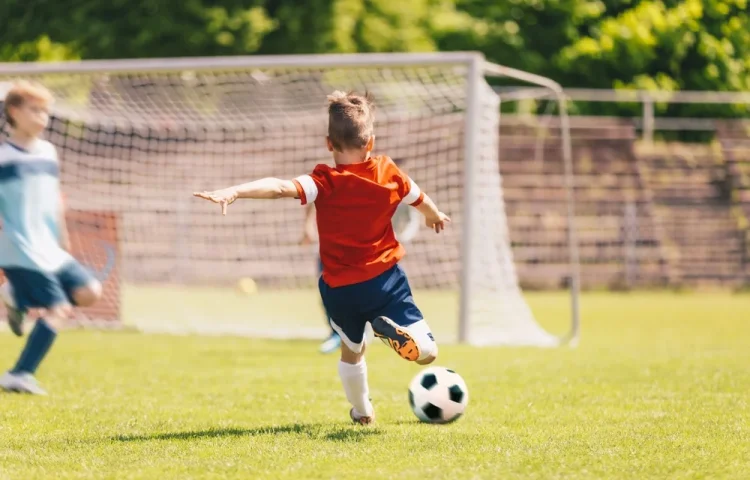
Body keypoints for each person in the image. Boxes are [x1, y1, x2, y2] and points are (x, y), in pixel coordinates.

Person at [194, 90, 449, 424]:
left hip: (340, 289)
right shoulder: (389, 172)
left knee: (352, 352)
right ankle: (397, 336)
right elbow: (417, 195)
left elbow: (279, 187)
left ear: (329, 144)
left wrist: (236, 191)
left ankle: (361, 411)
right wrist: (434, 214)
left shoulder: (323, 181)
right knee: (428, 354)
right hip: (385, 281)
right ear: (370, 142)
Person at [0, 81, 103, 395]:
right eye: (35, 110)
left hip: (50, 247)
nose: (42, 116)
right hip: (20, 248)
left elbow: (54, 199)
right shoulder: (3, 157)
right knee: (58, 310)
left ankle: (16, 296)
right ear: (14, 112)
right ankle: (19, 373)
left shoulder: (49, 151)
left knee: (89, 291)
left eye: (45, 110)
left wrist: (63, 235)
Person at [301, 157, 421, 355]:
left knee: (382, 290)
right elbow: (314, 195)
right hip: (342, 247)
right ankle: (339, 333)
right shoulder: (361, 183)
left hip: (380, 252)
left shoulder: (405, 195)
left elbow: (413, 219)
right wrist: (308, 227)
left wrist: (401, 240)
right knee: (330, 289)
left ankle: (389, 328)